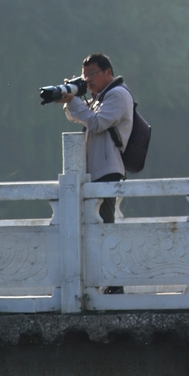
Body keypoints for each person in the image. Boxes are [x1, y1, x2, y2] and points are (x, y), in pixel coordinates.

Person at [60, 53, 133, 293]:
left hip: (107, 170)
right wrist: (70, 99)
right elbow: (79, 117)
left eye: (92, 74)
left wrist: (74, 101)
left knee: (104, 226)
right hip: (95, 170)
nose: (88, 80)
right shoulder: (100, 96)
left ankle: (115, 285)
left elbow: (97, 123)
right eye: (85, 76)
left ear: (108, 72)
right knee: (92, 228)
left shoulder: (117, 95)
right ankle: (105, 282)